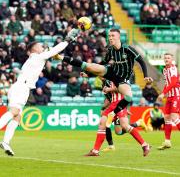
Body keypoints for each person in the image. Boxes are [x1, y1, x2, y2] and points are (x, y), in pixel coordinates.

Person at [0, 28, 79, 156]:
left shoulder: (37, 58)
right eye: (39, 46)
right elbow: (54, 51)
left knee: (17, 117)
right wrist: (67, 40)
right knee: (14, 112)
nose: (41, 47)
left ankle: (6, 142)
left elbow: (51, 53)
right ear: (33, 50)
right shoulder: (36, 57)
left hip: (23, 89)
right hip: (21, 88)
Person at [59, 28, 152, 129]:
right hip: (111, 72)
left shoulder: (128, 49)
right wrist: (89, 73)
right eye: (109, 36)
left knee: (129, 97)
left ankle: (113, 113)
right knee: (89, 65)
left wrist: (145, 76)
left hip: (122, 79)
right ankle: (60, 57)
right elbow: (102, 63)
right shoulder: (111, 50)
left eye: (113, 36)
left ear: (119, 37)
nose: (110, 38)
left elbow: (141, 61)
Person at [85, 79, 150, 157]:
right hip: (113, 104)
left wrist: (109, 89)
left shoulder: (120, 76)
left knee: (124, 126)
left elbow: (123, 88)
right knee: (103, 124)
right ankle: (96, 150)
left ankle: (144, 144)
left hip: (120, 103)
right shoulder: (109, 77)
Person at [157, 53, 180, 150]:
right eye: (165, 58)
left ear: (172, 60)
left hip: (176, 95)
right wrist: (163, 93)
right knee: (166, 117)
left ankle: (167, 142)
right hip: (169, 96)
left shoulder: (173, 69)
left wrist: (163, 93)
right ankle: (167, 142)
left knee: (174, 116)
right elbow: (167, 84)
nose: (166, 59)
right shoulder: (165, 70)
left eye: (168, 58)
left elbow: (174, 83)